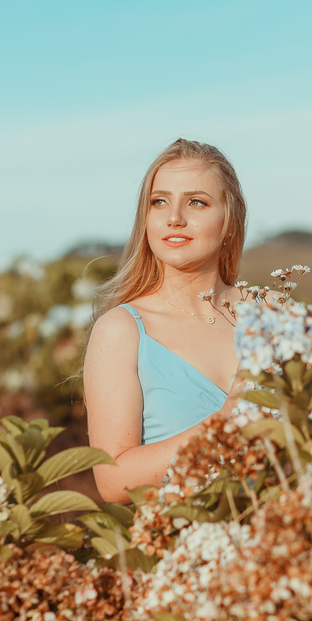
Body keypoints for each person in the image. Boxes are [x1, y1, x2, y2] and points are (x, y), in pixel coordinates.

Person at [83, 138, 249, 503]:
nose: (174, 217)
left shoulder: (271, 314)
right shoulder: (122, 330)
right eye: (159, 201)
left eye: (197, 202)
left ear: (229, 221)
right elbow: (112, 482)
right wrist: (226, 423)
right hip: (184, 551)